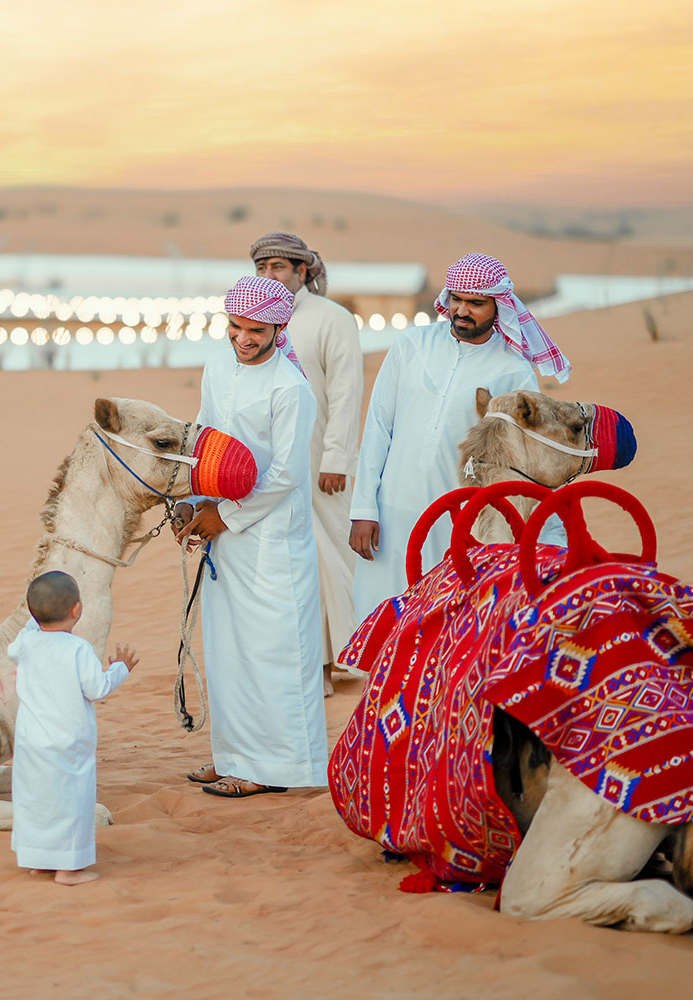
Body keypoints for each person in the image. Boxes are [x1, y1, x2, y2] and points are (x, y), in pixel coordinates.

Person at [348, 253, 572, 620]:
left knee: (442, 625)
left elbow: (524, 460)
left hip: (458, 522)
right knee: (381, 624)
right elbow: (377, 429)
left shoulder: (512, 370)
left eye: (476, 303)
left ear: (499, 307)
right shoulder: (411, 346)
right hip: (390, 513)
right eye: (456, 299)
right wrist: (363, 509)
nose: (462, 310)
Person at [176, 275, 327, 798]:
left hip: (271, 539)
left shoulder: (291, 387)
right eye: (236, 327)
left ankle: (277, 769)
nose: (244, 338)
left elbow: (285, 475)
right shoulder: (217, 364)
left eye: (257, 330)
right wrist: (193, 502)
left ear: (279, 327)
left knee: (272, 651)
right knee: (226, 648)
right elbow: (203, 433)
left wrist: (228, 517)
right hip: (224, 526)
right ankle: (234, 757)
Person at [251, 232, 364, 694]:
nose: (269, 276)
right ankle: (308, 667)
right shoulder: (252, 320)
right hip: (269, 461)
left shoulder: (331, 319)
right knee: (290, 560)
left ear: (303, 271)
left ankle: (342, 657)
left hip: (321, 462)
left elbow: (346, 393)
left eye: (278, 267)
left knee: (328, 559)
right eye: (261, 268)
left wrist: (336, 458)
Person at [9, 570, 136, 886]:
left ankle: (39, 859)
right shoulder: (78, 649)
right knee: (70, 802)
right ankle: (67, 869)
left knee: (35, 799)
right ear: (77, 610)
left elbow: (17, 644)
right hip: (67, 743)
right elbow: (96, 688)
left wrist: (32, 619)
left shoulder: (25, 642)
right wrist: (120, 668)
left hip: (30, 741)